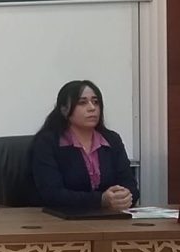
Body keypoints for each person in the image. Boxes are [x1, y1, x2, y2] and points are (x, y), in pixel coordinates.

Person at [31, 80, 138, 210]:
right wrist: (100, 200)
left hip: (109, 217)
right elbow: (52, 194)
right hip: (61, 218)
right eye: (82, 103)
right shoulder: (47, 142)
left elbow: (130, 185)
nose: (92, 108)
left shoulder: (111, 139)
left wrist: (124, 197)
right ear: (64, 110)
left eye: (96, 102)